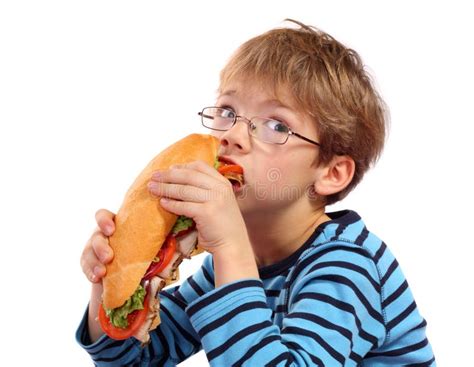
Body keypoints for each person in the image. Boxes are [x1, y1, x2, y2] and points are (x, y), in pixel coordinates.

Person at [76, 19, 436, 366]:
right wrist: (110, 283)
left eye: (276, 124)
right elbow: (135, 358)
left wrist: (231, 247)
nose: (232, 135)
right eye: (228, 111)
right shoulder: (232, 263)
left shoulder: (347, 266)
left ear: (331, 173)